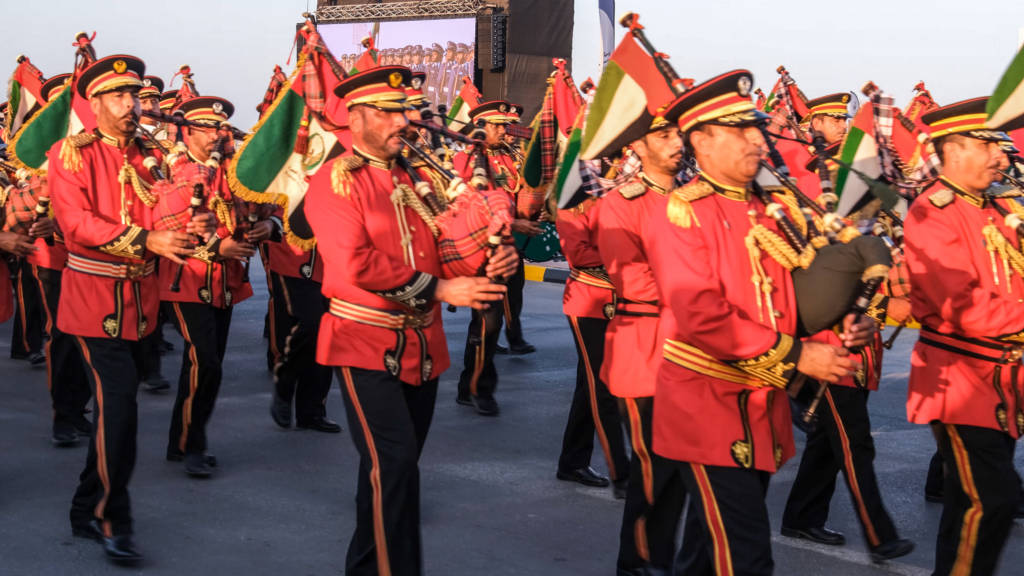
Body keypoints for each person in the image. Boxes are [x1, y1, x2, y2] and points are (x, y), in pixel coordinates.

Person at [647, 70, 876, 574]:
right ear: (701, 141)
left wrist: (840, 328)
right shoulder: (682, 212)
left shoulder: (770, 210)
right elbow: (702, 316)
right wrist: (800, 355)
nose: (758, 138)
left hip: (760, 403)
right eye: (740, 130)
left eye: (756, 126)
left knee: (707, 554)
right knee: (745, 558)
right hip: (706, 407)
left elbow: (797, 297)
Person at [304, 65, 517, 576]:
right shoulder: (335, 181)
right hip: (363, 342)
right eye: (392, 111)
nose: (407, 120)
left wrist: (489, 258)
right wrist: (444, 289)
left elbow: (443, 250)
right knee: (394, 466)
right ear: (356, 118)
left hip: (422, 346)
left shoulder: (417, 178)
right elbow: (354, 264)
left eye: (408, 110)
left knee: (390, 472)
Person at [49, 54, 213, 564]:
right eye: (119, 96)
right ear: (94, 102)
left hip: (141, 302)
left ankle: (84, 506)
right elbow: (76, 224)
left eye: (134, 95)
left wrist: (195, 224)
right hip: (92, 301)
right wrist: (148, 237)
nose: (130, 104)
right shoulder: (71, 154)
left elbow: (168, 205)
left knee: (116, 417)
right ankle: (109, 518)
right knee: (119, 413)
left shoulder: (150, 153)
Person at [779, 91, 915, 562]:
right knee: (852, 437)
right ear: (814, 120)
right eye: (834, 119)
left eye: (845, 119)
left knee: (829, 432)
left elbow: (895, 230)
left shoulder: (865, 176)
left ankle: (801, 515)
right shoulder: (807, 179)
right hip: (827, 328)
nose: (841, 125)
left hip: (863, 323)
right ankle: (880, 534)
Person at [904, 96, 1024, 576]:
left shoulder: (998, 207)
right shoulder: (933, 211)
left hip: (1003, 379)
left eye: (1001, 145)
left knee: (971, 502)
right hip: (961, 381)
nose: (1002, 155)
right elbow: (963, 306)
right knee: (990, 501)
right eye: (988, 145)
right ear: (951, 150)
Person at [597, 118, 693, 575]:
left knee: (684, 473)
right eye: (663, 135)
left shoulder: (697, 198)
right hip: (645, 351)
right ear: (637, 142)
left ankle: (663, 560)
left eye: (679, 134)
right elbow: (632, 278)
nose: (677, 144)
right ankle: (637, 565)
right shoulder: (621, 202)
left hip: (694, 353)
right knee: (654, 471)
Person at [157, 95, 260, 477]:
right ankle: (191, 445)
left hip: (225, 281)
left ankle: (182, 440)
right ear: (190, 131)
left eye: (220, 127)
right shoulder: (179, 171)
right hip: (188, 280)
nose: (218, 134)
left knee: (203, 366)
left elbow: (260, 209)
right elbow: (174, 219)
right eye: (209, 128)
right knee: (205, 363)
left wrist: (268, 227)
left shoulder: (232, 171)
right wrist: (221, 247)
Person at [451, 100, 538, 416]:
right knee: (485, 324)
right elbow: (465, 204)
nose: (505, 131)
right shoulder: (464, 159)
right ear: (481, 126)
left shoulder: (508, 158)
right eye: (498, 125)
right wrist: (513, 222)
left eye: (506, 125)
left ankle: (469, 386)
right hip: (480, 251)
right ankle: (477, 388)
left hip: (507, 248)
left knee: (497, 319)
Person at [554, 195, 629, 498]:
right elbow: (578, 254)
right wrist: (625, 255)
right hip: (589, 302)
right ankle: (622, 472)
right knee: (603, 387)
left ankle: (572, 461)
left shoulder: (619, 197)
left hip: (622, 301)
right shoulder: (572, 201)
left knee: (589, 385)